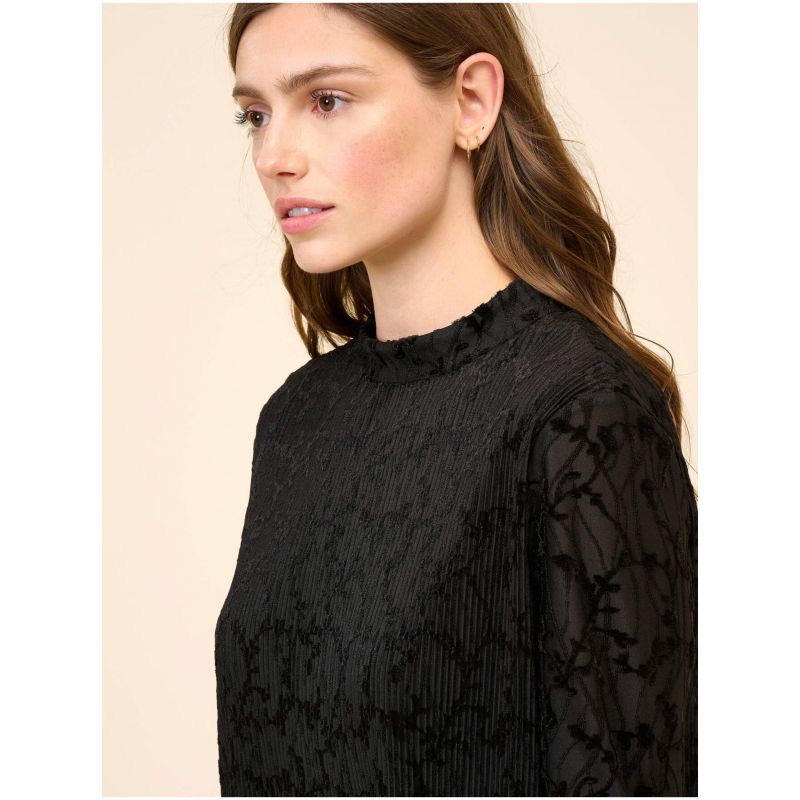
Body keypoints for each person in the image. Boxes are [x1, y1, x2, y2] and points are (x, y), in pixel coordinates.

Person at [214, 3, 697, 796]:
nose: (273, 156)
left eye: (327, 100)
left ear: (471, 101)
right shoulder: (296, 420)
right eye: (255, 115)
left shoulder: (583, 414)